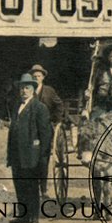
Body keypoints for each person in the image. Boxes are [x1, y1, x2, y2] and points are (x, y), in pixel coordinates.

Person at [7, 74, 52, 223]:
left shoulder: (39, 107)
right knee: (19, 183)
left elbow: (45, 133)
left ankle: (33, 215)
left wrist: (42, 154)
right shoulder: (16, 106)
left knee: (31, 184)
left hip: (31, 154)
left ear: (33, 90)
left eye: (27, 88)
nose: (24, 91)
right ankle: (23, 214)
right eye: (22, 88)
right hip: (17, 153)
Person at [29, 63, 65, 195]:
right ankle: (32, 187)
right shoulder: (27, 90)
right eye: (34, 76)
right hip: (30, 129)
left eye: (38, 76)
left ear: (43, 77)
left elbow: (59, 105)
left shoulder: (49, 91)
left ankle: (43, 189)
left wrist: (56, 121)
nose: (36, 78)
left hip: (45, 129)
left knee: (43, 159)